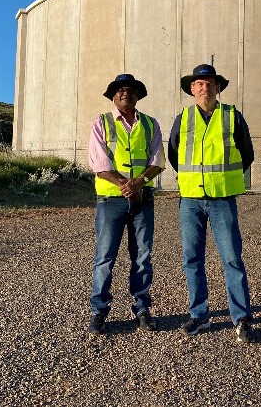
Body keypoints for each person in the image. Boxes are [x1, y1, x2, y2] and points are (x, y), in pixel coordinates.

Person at [168, 64, 255, 343]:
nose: (205, 88)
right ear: (192, 89)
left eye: (210, 83)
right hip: (191, 199)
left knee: (231, 258)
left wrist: (221, 180)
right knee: (192, 259)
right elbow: (173, 154)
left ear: (218, 87)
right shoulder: (183, 119)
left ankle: (241, 318)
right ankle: (199, 315)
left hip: (221, 200)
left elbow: (247, 154)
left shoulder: (232, 116)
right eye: (199, 84)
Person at [87, 74, 164, 334]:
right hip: (111, 200)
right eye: (119, 90)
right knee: (105, 257)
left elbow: (157, 160)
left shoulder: (150, 124)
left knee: (142, 257)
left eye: (130, 90)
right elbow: (99, 164)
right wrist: (126, 185)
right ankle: (99, 311)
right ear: (112, 96)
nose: (125, 94)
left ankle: (142, 309)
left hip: (143, 200)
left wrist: (139, 183)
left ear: (138, 95)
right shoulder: (103, 123)